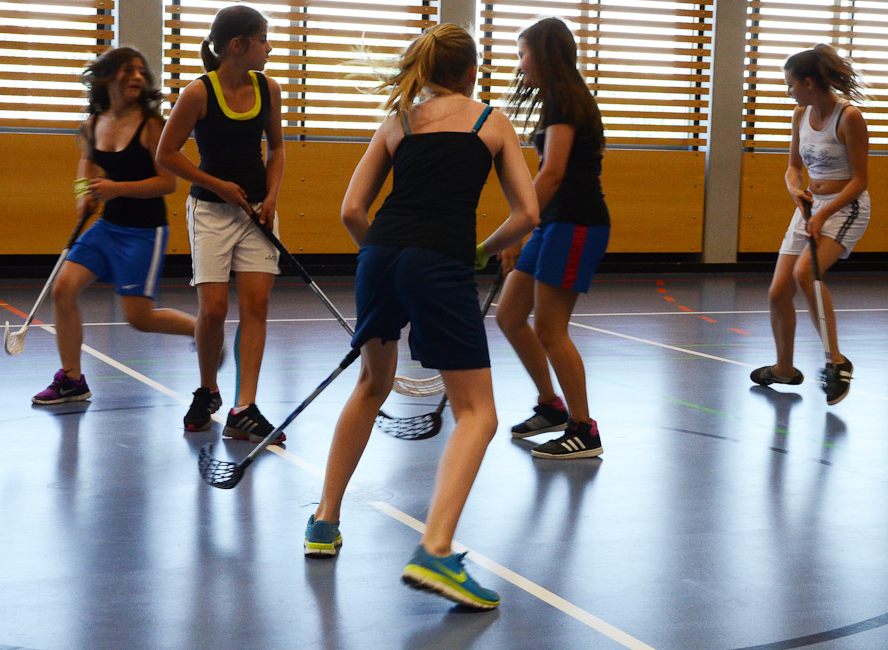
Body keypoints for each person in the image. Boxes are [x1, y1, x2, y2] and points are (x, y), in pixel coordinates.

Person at [303, 24, 539, 610]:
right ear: (472, 72)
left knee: (371, 384)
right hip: (439, 259)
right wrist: (480, 251)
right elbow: (528, 214)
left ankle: (324, 521)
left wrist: (383, 260)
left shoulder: (399, 121)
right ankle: (435, 548)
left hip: (380, 254)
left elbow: (352, 210)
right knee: (477, 413)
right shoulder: (491, 123)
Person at [32, 47, 196, 405]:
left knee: (139, 318)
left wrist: (115, 188)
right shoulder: (95, 123)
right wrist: (83, 194)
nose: (137, 77)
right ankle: (72, 381)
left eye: (140, 71)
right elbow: (87, 162)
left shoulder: (152, 126)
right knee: (63, 290)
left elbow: (168, 183)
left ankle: (203, 331)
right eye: (128, 70)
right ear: (107, 78)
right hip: (107, 227)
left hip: (144, 232)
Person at [156, 5, 286, 439]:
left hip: (256, 212)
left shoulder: (269, 88)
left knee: (257, 306)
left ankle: (243, 408)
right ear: (238, 45)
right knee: (213, 310)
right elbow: (166, 154)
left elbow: (277, 149)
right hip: (211, 212)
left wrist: (271, 196)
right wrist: (220, 186)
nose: (269, 48)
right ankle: (207, 388)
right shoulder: (198, 93)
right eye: (263, 40)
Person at [494, 17, 610, 459]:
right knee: (510, 315)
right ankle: (551, 406)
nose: (520, 63)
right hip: (553, 223)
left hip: (576, 223)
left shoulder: (566, 99)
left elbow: (553, 173)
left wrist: (517, 227)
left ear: (543, 54)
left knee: (550, 329)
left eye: (522, 54)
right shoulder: (557, 99)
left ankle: (584, 429)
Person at [750, 44, 870, 406]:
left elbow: (860, 181)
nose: (788, 91)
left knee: (805, 273)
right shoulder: (800, 114)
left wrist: (823, 214)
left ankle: (837, 362)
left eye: (790, 84)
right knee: (778, 292)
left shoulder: (848, 117)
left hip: (845, 208)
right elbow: (793, 167)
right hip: (809, 207)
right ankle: (784, 369)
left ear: (808, 82)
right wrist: (793, 189)